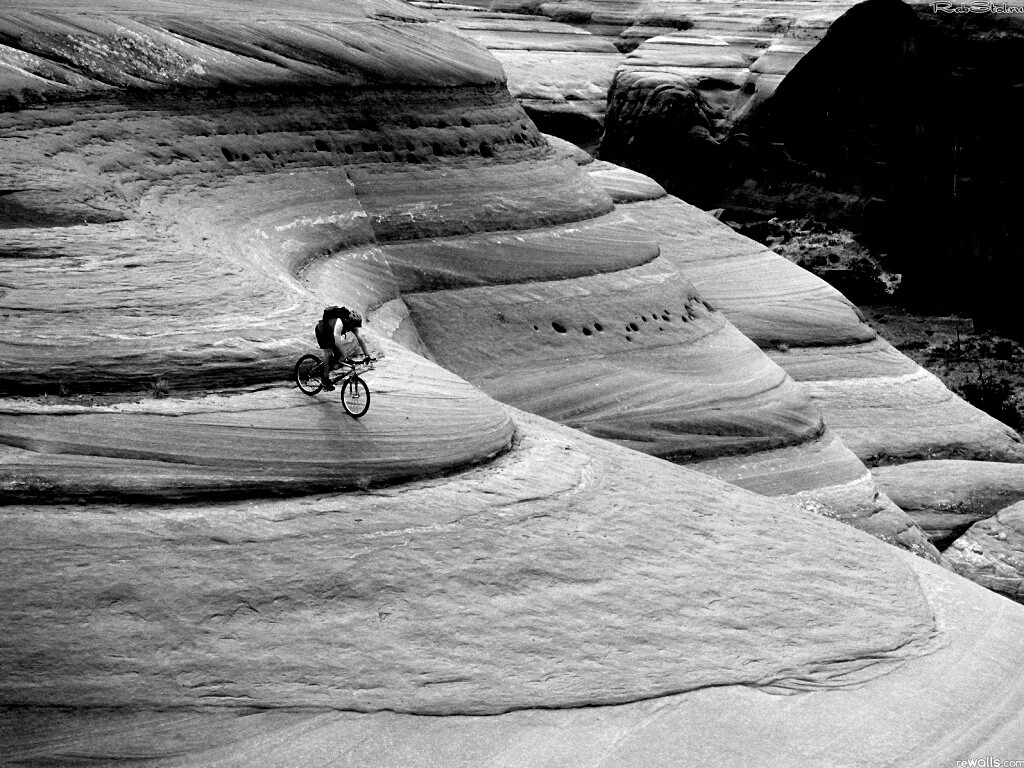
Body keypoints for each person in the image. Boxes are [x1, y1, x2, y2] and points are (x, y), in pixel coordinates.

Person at [315, 306, 370, 391]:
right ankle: (325, 379)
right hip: (323, 330)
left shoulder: (353, 326)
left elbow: (360, 339)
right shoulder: (339, 322)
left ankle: (328, 368)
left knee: (338, 357)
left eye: (354, 326)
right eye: (352, 325)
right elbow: (336, 341)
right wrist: (343, 354)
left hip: (332, 334)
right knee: (329, 353)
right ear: (349, 321)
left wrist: (367, 355)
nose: (353, 328)